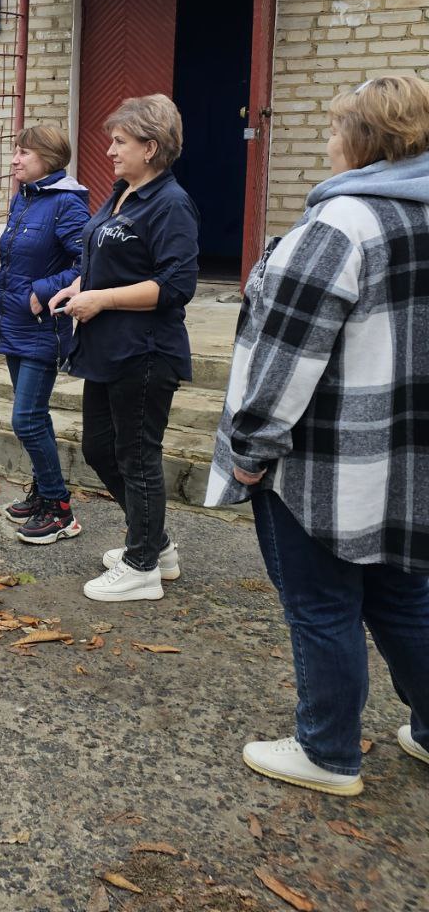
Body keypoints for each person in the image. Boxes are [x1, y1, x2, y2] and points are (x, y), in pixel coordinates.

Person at [207, 73, 429, 797]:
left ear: (363, 140)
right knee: (402, 598)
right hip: (409, 461)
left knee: (322, 604)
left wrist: (248, 453)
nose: (328, 143)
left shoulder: (341, 226)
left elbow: (284, 358)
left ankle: (328, 751)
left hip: (327, 465)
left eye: (336, 130)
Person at [50, 94, 199, 602]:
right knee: (98, 448)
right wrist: (78, 286)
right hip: (106, 349)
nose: (110, 150)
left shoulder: (170, 203)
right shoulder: (122, 193)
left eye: (120, 142)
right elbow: (107, 258)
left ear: (151, 147)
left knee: (137, 456)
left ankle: (141, 568)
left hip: (146, 351)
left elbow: (177, 285)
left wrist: (103, 298)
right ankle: (156, 545)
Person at [0, 126, 89, 543]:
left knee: (26, 418)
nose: (14, 159)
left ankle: (59, 508)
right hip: (14, 321)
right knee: (33, 415)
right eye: (15, 152)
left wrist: (44, 291)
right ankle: (42, 492)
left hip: (43, 325)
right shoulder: (26, 198)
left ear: (48, 159)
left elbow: (90, 261)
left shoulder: (67, 203)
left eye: (23, 153)